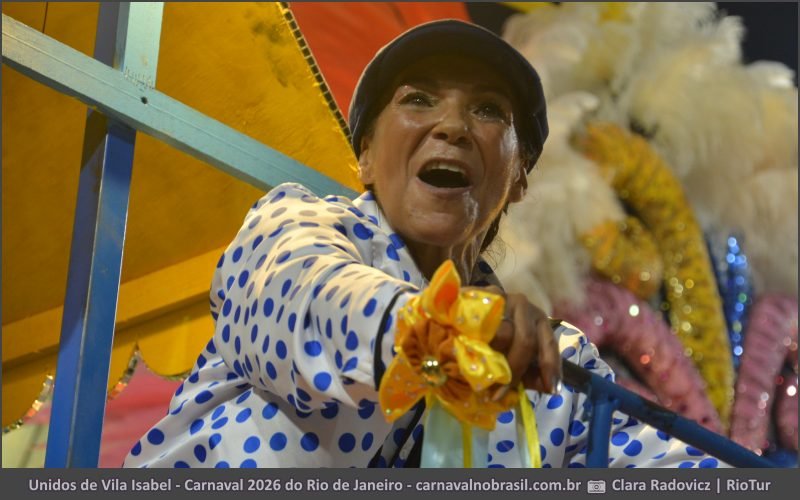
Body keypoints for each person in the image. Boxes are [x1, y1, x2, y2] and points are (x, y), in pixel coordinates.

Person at [124, 20, 725, 468]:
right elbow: (310, 301)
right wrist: (446, 326)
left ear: (518, 179)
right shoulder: (294, 227)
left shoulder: (555, 365)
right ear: (363, 156)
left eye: (488, 111)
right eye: (418, 99)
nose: (454, 126)